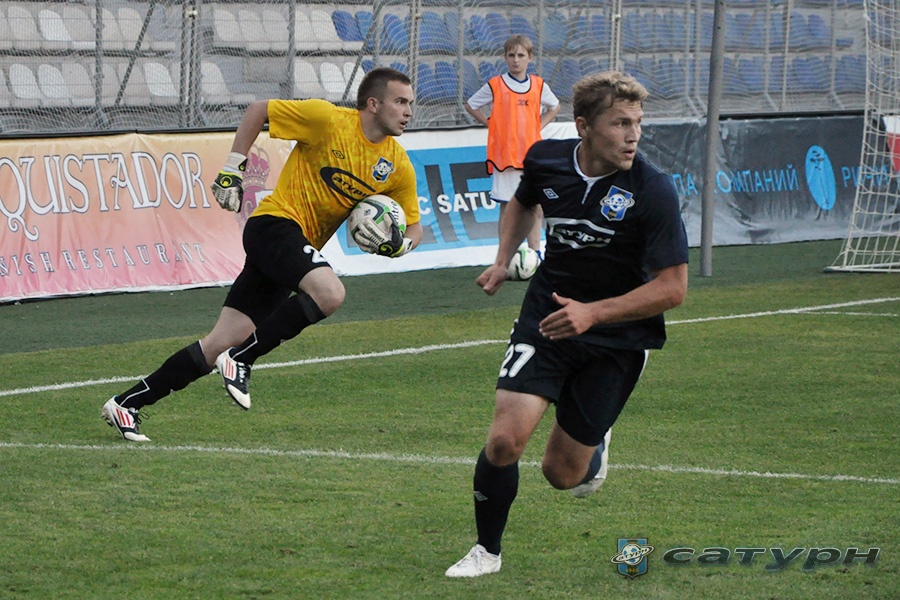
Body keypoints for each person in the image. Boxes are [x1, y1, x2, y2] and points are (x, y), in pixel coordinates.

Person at [445, 71, 688, 578]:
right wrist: (502, 259)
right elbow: (523, 201)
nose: (633, 136)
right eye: (620, 123)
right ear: (583, 126)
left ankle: (595, 438)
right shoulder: (545, 160)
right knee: (504, 440)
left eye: (637, 123)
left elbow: (672, 289)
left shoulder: (652, 189)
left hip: (617, 337)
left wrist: (593, 313)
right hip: (548, 318)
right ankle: (487, 552)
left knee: (562, 475)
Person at [102, 67, 422, 442]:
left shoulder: (396, 165)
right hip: (273, 226)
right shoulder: (327, 119)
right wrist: (232, 170)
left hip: (289, 252)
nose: (408, 111)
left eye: (410, 103)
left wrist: (401, 244)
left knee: (218, 343)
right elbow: (259, 110)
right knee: (330, 293)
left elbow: (414, 227)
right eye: (401, 102)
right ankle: (242, 360)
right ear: (373, 104)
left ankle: (127, 404)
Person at [464, 34, 560, 271]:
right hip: (505, 156)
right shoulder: (496, 84)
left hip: (531, 155)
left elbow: (554, 106)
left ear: (530, 58)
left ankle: (535, 254)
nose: (516, 60)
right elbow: (471, 104)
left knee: (535, 206)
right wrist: (491, 123)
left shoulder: (538, 85)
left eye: (520, 55)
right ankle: (504, 258)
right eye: (511, 55)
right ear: (505, 58)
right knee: (507, 207)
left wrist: (538, 125)